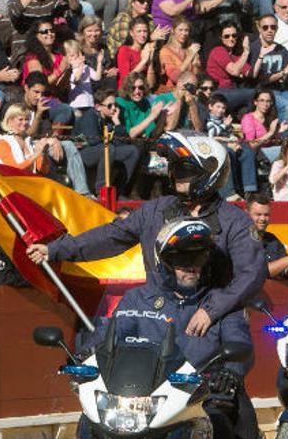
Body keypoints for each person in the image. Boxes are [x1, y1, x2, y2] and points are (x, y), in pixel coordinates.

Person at [26, 135, 265, 360]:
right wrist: (56, 249)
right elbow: (111, 236)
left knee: (223, 395)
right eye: (175, 168)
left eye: (185, 169)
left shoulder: (235, 221)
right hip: (155, 314)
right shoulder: (155, 210)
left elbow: (251, 274)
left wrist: (211, 310)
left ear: (209, 173)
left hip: (209, 320)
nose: (176, 175)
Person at [78, 217, 258, 439]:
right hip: (143, 397)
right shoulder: (138, 298)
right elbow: (109, 334)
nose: (192, 267)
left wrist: (230, 373)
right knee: (89, 420)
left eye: (199, 258)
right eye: (183, 259)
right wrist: (86, 354)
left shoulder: (220, 305)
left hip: (199, 398)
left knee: (224, 426)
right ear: (166, 263)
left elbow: (239, 344)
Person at [74, 88, 140, 193]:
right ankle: (101, 190)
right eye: (110, 106)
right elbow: (92, 140)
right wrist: (110, 137)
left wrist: (117, 123)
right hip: (82, 153)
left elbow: (123, 142)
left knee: (132, 151)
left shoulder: (108, 119)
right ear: (98, 107)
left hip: (103, 150)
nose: (114, 109)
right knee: (108, 148)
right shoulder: (89, 115)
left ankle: (118, 191)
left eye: (115, 105)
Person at [248, 14, 288, 128]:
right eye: (265, 27)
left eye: (273, 27)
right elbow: (259, 80)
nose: (269, 30)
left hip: (281, 90)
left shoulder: (281, 49)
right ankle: (280, 140)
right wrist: (283, 73)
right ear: (259, 28)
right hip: (262, 91)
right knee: (287, 106)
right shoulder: (253, 49)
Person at [238, 89, 288, 195]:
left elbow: (271, 141)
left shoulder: (270, 118)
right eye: (262, 100)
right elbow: (251, 144)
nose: (265, 104)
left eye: (268, 101)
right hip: (256, 152)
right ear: (255, 102)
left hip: (269, 151)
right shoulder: (248, 118)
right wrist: (270, 132)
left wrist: (279, 132)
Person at [247, 194, 288, 279]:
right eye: (258, 214)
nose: (263, 218)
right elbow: (257, 273)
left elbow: (287, 274)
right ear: (247, 214)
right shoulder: (240, 239)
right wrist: (287, 260)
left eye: (266, 215)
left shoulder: (272, 240)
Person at [205, 21, 255, 115]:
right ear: (221, 38)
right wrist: (246, 52)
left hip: (232, 92)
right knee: (255, 94)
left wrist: (261, 55)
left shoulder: (235, 57)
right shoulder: (218, 51)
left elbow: (251, 73)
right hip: (218, 92)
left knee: (261, 97)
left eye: (234, 35)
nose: (231, 39)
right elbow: (235, 71)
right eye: (227, 36)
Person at [105, 0, 169, 59]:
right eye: (141, 1)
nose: (146, 4)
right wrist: (150, 38)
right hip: (119, 59)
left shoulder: (149, 19)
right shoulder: (123, 19)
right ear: (132, 3)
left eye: (148, 1)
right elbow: (126, 45)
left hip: (142, 56)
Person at [115, 71, 171, 138]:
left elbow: (151, 132)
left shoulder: (144, 102)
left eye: (140, 88)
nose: (137, 91)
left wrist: (162, 115)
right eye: (133, 88)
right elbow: (129, 134)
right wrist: (152, 116)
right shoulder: (120, 103)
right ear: (127, 88)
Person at [157, 17, 200, 93]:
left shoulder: (190, 49)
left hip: (190, 90)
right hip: (172, 91)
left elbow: (196, 76)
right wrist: (190, 57)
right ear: (173, 31)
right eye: (180, 30)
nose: (183, 33)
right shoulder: (165, 51)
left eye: (186, 30)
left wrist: (195, 63)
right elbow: (175, 77)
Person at [115, 16, 156, 89]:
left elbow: (151, 85)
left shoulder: (145, 50)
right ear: (131, 33)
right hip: (127, 91)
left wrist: (150, 62)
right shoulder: (124, 50)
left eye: (145, 31)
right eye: (139, 31)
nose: (143, 35)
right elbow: (125, 80)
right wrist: (143, 61)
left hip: (143, 91)